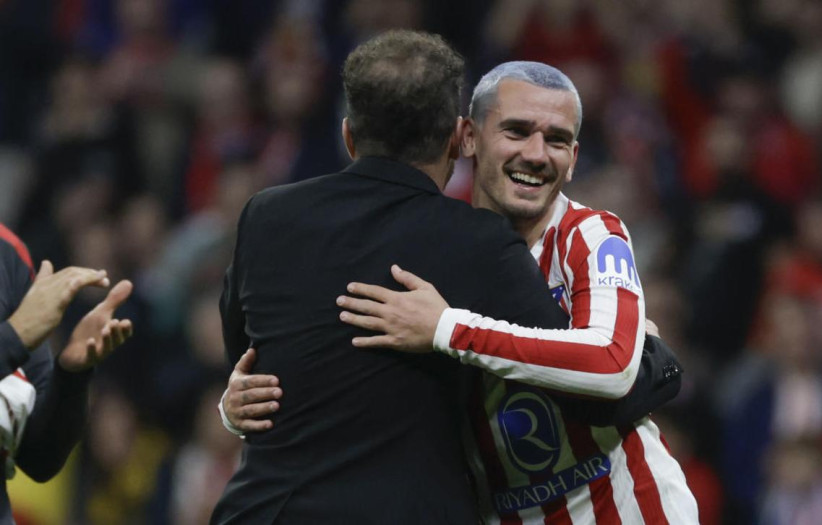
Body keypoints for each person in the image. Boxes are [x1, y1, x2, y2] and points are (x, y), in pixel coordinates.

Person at [231, 62, 698, 523]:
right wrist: (241, 399)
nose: (537, 154)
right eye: (516, 132)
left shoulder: (590, 235)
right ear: (467, 138)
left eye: (556, 140)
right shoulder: (439, 243)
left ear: (574, 159)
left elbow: (612, 369)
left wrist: (447, 329)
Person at [209, 31, 573, 524]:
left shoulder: (266, 216)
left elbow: (244, 359)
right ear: (457, 137)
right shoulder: (476, 241)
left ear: (348, 135)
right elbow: (572, 379)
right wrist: (651, 355)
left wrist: (233, 406)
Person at [0, 221, 134, 523]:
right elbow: (16, 338)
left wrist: (72, 373)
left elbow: (40, 459)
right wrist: (15, 337)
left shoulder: (8, 252)